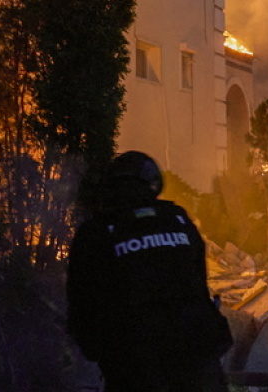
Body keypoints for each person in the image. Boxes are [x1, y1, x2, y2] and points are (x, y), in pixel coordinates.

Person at [67, 151, 233, 392]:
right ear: (154, 184)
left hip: (135, 365)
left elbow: (83, 308)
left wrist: (98, 349)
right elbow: (199, 284)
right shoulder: (179, 221)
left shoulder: (96, 233)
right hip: (198, 356)